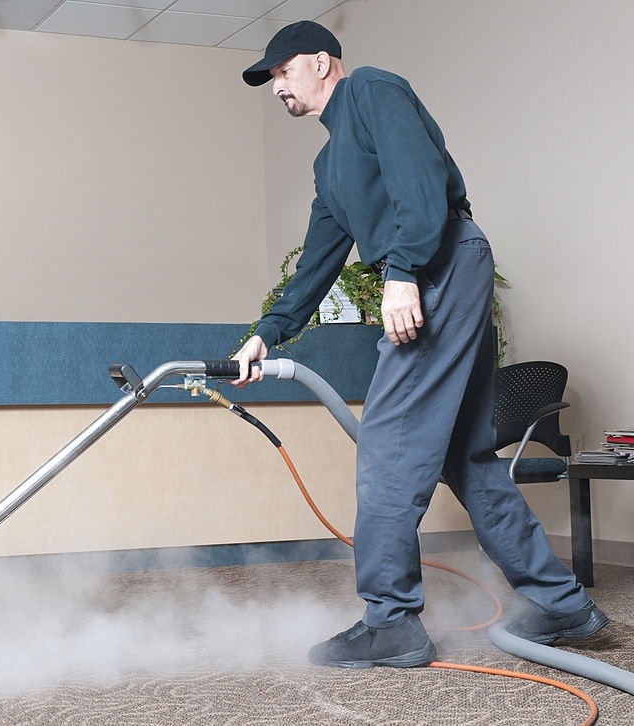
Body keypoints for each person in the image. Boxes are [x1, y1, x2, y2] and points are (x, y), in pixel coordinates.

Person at [231, 21, 607, 669]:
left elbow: (420, 177)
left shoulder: (373, 92)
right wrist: (267, 334)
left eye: (283, 71)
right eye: (270, 80)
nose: (276, 87)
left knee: (387, 443)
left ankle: (391, 621)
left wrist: (402, 271)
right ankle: (560, 602)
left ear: (322, 63)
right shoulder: (331, 164)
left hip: (440, 262)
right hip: (437, 269)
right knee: (465, 456)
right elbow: (318, 263)